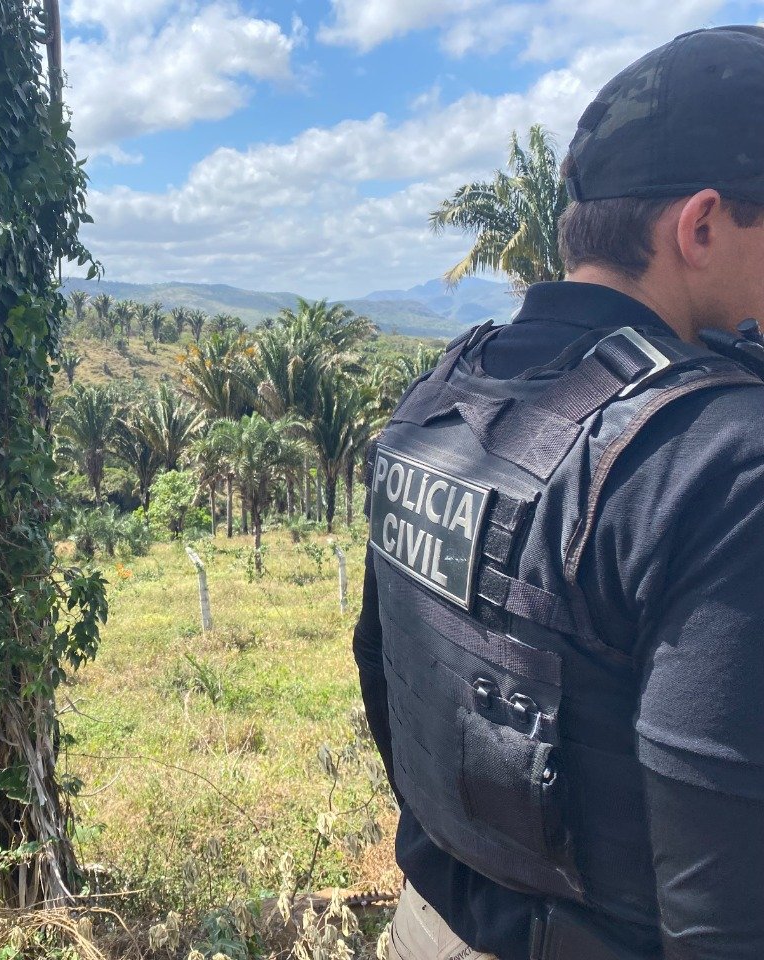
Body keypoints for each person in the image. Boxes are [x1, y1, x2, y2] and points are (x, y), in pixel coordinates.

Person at [352, 25, 764, 960]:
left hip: (426, 927)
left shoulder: (442, 392)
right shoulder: (725, 460)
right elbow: (726, 919)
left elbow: (385, 671)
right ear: (700, 226)